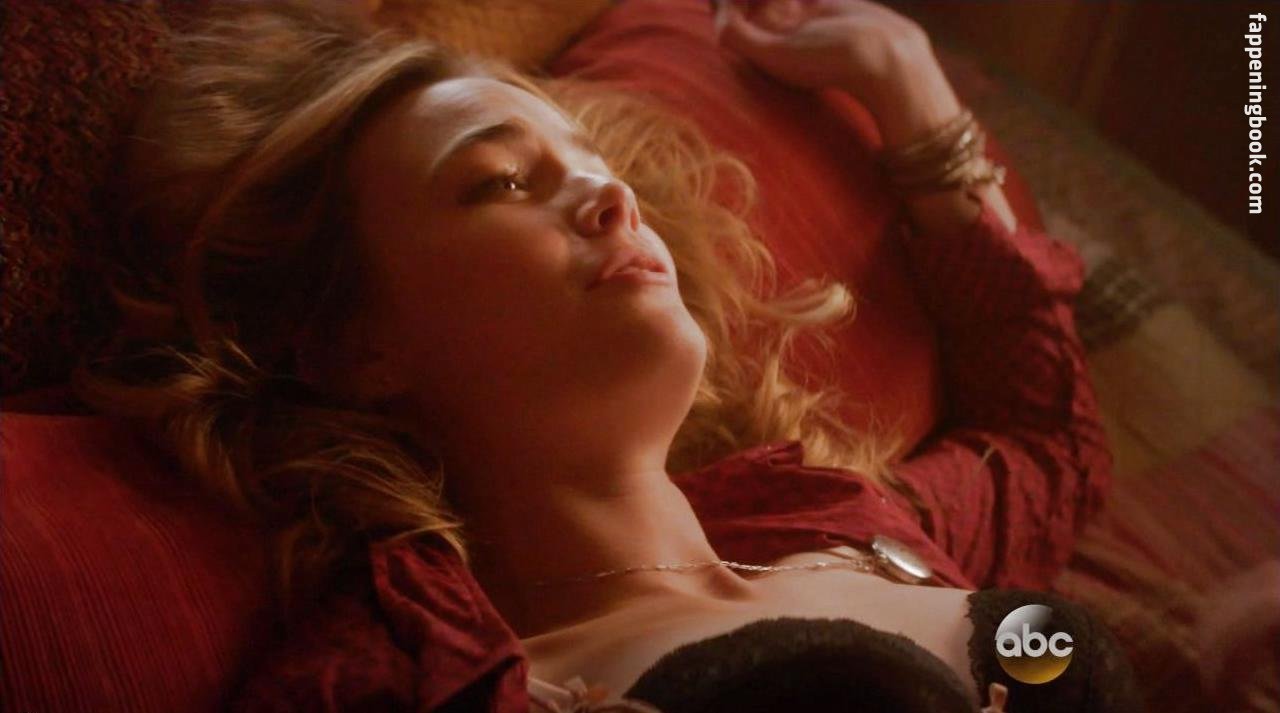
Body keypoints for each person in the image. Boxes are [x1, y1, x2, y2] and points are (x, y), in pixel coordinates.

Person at [78, 0, 1144, 710]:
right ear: (354, 343)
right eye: (501, 181)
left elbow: (1048, 447)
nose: (609, 195)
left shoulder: (827, 521)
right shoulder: (423, 679)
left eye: (590, 159)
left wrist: (909, 90)